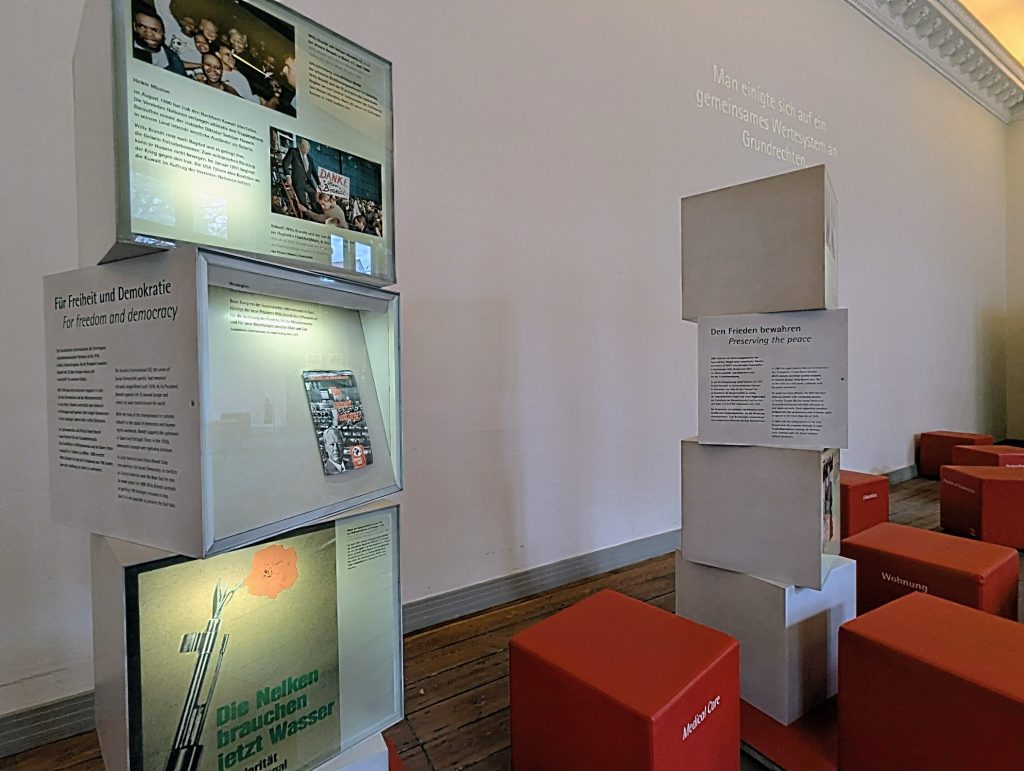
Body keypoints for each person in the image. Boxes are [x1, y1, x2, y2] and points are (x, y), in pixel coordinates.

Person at [132, 7, 186, 75]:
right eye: (142, 27)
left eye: (154, 30)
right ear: (135, 27)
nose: (149, 34)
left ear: (163, 33)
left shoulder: (173, 58)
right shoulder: (126, 50)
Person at [283, 139, 320, 209]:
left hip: (308, 183)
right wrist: (288, 175)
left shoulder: (310, 158)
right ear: (299, 146)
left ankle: (315, 212)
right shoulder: (293, 151)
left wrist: (319, 183)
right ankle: (305, 213)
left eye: (307, 150)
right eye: (304, 149)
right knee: (302, 202)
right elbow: (285, 163)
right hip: (298, 182)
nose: (306, 151)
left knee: (314, 197)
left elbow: (314, 171)